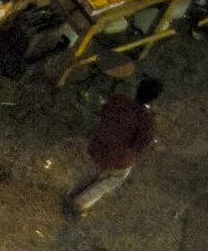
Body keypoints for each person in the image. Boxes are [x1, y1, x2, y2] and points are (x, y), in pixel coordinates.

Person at [66, 78, 163, 214]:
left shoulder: (118, 100)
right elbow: (139, 145)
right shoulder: (147, 122)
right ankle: (80, 203)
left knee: (91, 172)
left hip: (99, 146)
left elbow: (104, 113)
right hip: (119, 159)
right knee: (109, 181)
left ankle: (73, 193)